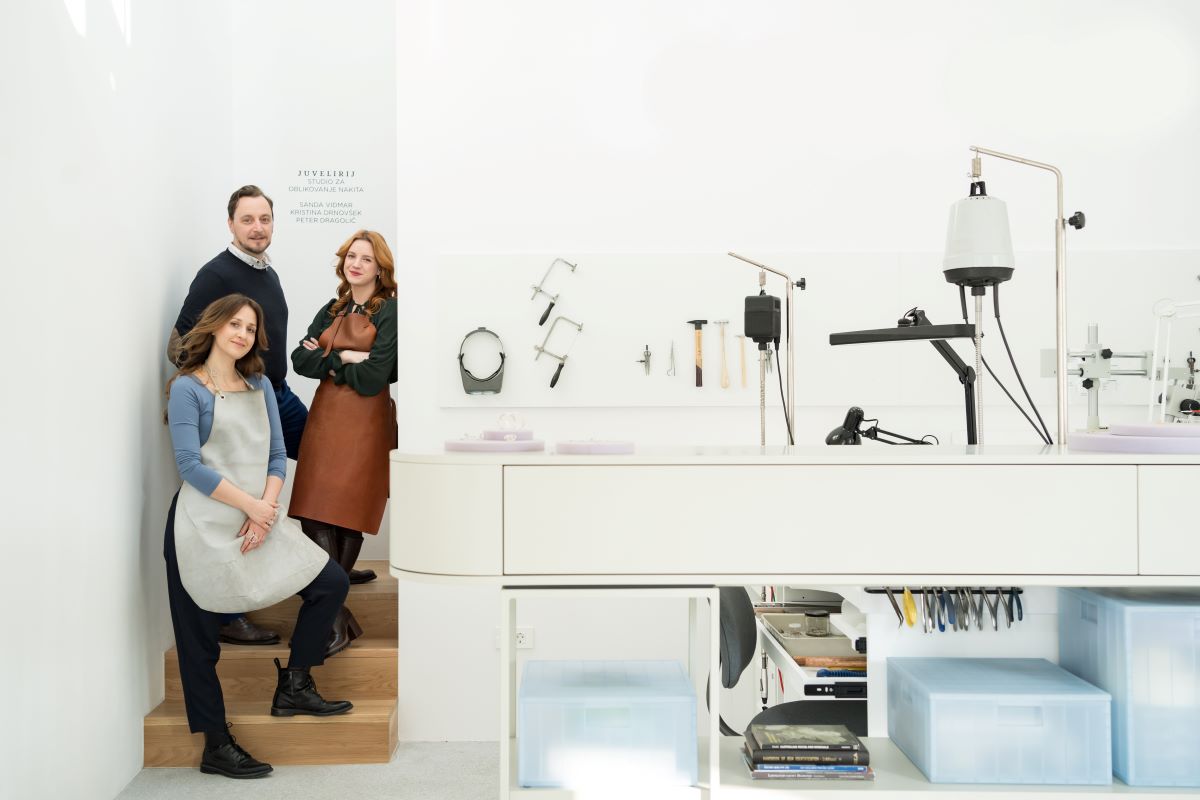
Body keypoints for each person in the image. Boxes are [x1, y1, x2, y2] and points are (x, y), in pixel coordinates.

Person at [164, 294, 354, 779]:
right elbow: (189, 466)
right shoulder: (188, 389)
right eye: (235, 324)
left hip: (259, 514)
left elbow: (275, 454)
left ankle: (294, 682)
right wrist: (252, 507)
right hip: (201, 526)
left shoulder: (260, 384)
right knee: (199, 639)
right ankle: (216, 743)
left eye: (250, 328)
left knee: (330, 583)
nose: (243, 334)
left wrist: (265, 510)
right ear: (213, 327)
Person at [169, 185, 302, 646]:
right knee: (244, 495)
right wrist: (211, 386)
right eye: (248, 219)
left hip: (273, 391)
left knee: (324, 463)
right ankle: (233, 611)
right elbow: (180, 341)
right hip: (242, 395)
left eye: (265, 219)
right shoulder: (216, 273)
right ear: (231, 224)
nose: (258, 227)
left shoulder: (267, 271)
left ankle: (320, 563)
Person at [289, 230, 398, 656]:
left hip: (366, 422)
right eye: (352, 256)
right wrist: (349, 358)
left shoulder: (388, 312)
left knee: (349, 510)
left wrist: (329, 360)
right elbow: (300, 360)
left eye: (366, 259)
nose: (356, 264)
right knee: (312, 511)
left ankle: (332, 617)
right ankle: (337, 617)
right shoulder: (331, 307)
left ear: (380, 268)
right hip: (325, 419)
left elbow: (377, 377)